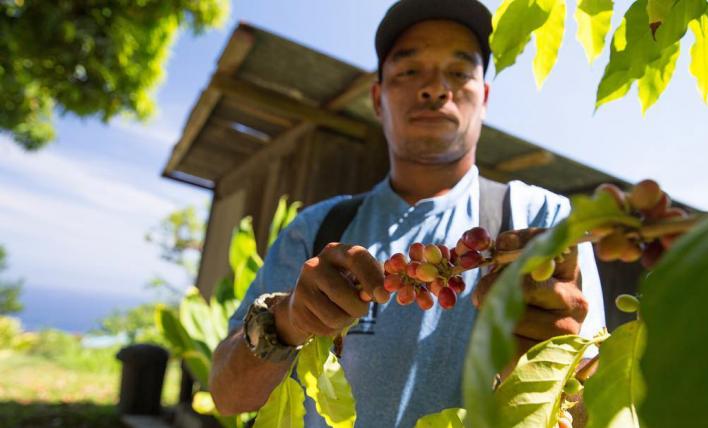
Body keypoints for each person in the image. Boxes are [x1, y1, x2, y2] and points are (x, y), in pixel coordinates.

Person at [209, 0, 605, 426]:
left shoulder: (543, 220)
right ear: (378, 98)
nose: (435, 88)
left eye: (459, 72)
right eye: (409, 70)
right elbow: (227, 395)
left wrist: (562, 364)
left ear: (484, 98)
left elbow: (595, 415)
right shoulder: (317, 230)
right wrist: (287, 320)